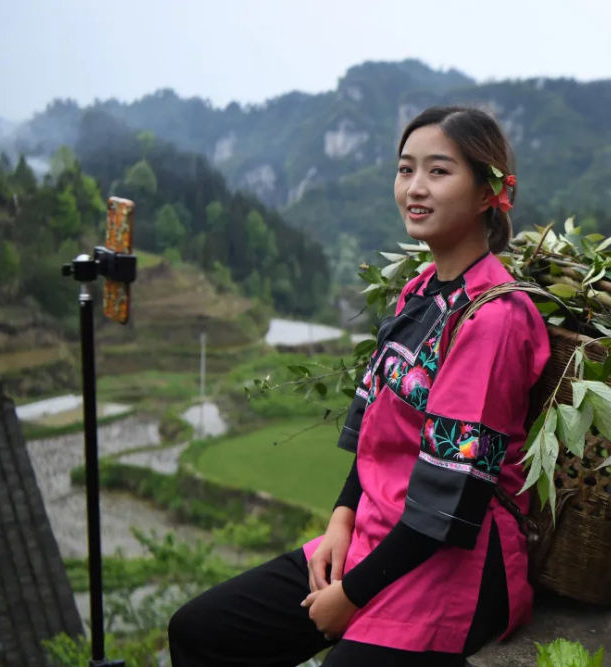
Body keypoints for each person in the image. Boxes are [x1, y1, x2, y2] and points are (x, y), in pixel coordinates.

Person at [168, 106, 551, 666]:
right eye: (405, 169)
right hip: (379, 532)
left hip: (450, 564)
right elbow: (377, 429)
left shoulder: (492, 318)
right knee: (199, 630)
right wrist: (341, 518)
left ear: (488, 192)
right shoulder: (419, 291)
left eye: (438, 171)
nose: (415, 188)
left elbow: (451, 498)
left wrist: (350, 596)